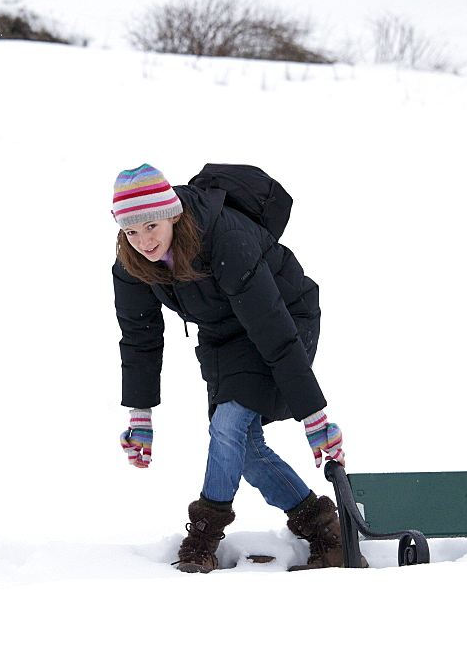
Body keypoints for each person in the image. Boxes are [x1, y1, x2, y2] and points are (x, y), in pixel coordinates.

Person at [111, 163, 350, 573]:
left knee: (228, 425)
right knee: (245, 446)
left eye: (151, 226)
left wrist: (314, 416)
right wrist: (140, 415)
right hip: (223, 334)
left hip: (284, 315)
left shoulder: (224, 238)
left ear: (172, 213)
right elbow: (140, 339)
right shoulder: (133, 264)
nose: (143, 241)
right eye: (131, 232)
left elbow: (272, 327)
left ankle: (203, 536)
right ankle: (326, 530)